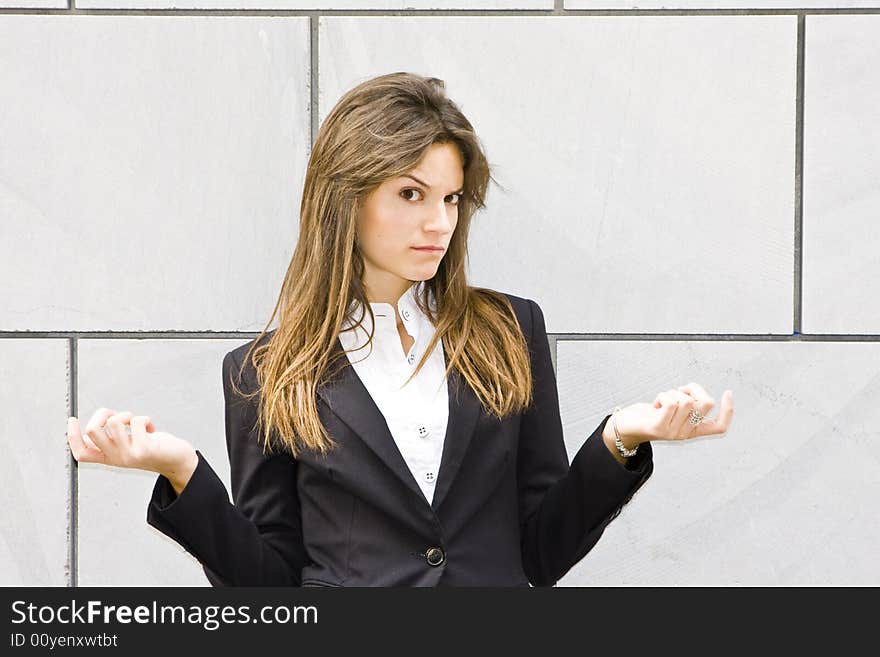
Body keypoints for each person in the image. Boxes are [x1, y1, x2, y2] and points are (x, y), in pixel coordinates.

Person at [66, 72, 734, 587]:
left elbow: (541, 551)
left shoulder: (509, 329)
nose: (439, 222)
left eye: (450, 198)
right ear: (346, 197)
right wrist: (182, 471)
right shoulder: (264, 371)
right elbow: (270, 585)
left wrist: (620, 437)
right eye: (410, 194)